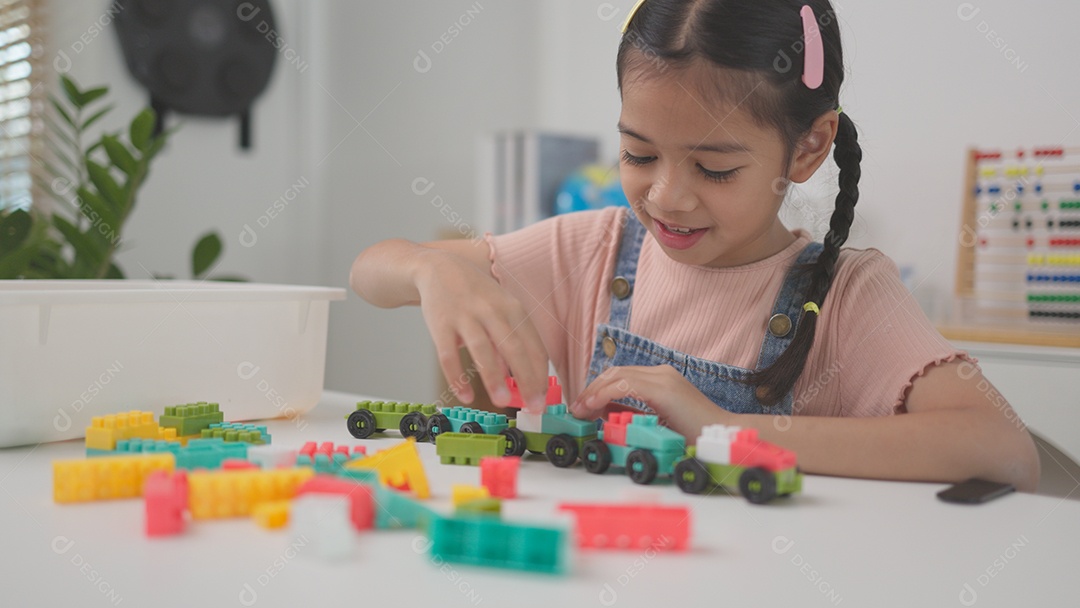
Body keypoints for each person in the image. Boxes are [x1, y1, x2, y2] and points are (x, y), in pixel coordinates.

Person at [351, 0, 1039, 491]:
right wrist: (426, 269)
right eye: (638, 154)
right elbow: (367, 272)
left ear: (808, 147)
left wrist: (722, 428)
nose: (667, 197)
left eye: (714, 168)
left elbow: (1002, 447)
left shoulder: (846, 294)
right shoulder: (591, 250)